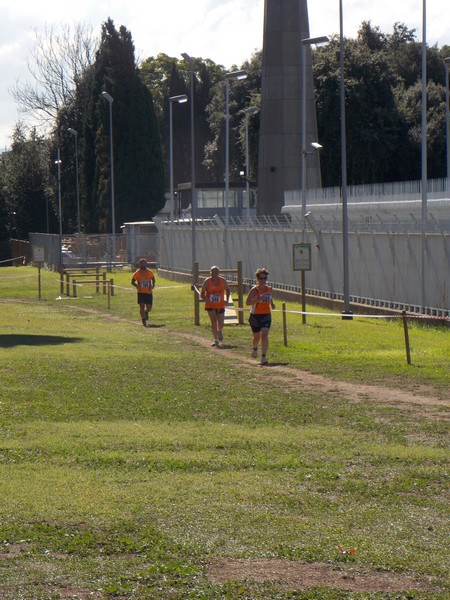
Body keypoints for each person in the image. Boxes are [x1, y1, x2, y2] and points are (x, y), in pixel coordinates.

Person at [246, 267, 275, 365]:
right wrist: (258, 300)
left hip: (266, 314)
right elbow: (247, 302)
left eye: (265, 278)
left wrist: (272, 303)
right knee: (256, 337)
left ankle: (263, 357)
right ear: (257, 279)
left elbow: (269, 297)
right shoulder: (254, 290)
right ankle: (255, 348)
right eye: (261, 278)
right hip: (255, 315)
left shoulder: (269, 288)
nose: (263, 280)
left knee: (265, 333)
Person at [200, 265, 231, 347]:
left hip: (220, 305)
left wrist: (227, 299)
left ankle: (219, 330)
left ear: (218, 273)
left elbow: (227, 290)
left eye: (215, 272)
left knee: (221, 323)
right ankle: (216, 340)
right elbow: (202, 293)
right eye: (212, 272)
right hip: (210, 305)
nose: (213, 273)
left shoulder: (223, 281)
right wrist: (205, 298)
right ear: (210, 272)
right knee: (213, 321)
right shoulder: (207, 281)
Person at [131, 258, 155, 327]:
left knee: (149, 308)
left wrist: (153, 285)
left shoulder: (150, 272)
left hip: (149, 292)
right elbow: (132, 281)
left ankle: (146, 312)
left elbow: (153, 279)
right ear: (139, 264)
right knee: (141, 306)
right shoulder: (137, 273)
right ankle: (143, 319)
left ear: (146, 264)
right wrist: (136, 285)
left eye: (144, 263)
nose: (143, 265)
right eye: (141, 263)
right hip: (141, 292)